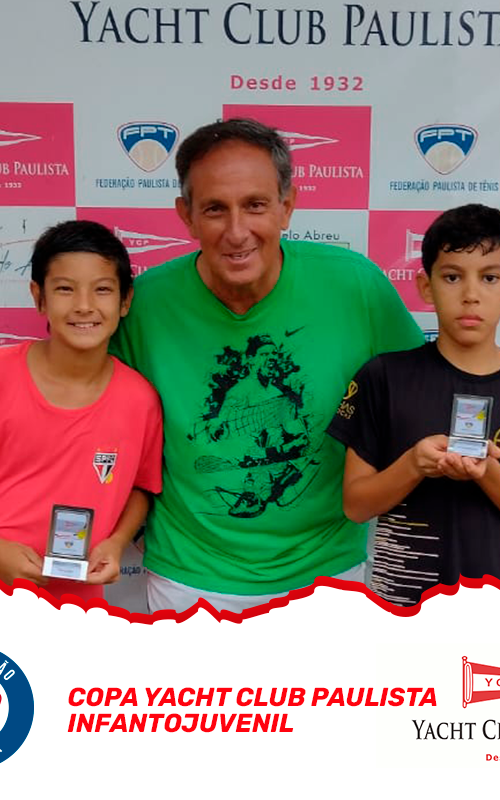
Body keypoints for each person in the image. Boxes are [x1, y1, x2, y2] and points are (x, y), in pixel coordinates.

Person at [110, 117, 423, 614]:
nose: (237, 232)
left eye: (255, 205)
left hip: (329, 574)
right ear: (185, 215)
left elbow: (424, 397)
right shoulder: (142, 304)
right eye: (215, 209)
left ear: (287, 206)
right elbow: (92, 422)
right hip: (186, 579)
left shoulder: (356, 286)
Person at [328, 204, 500, 607]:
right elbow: (355, 506)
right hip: (402, 608)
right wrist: (413, 464)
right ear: (426, 286)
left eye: (490, 277)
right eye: (452, 277)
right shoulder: (384, 377)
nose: (471, 295)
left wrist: (486, 470)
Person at [0, 220, 163, 602]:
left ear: (125, 300)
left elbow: (141, 486)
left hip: (78, 604)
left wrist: (117, 541)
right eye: (65, 289)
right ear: (39, 297)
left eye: (102, 289)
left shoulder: (140, 400)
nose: (84, 306)